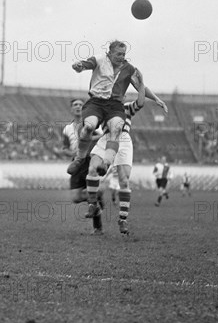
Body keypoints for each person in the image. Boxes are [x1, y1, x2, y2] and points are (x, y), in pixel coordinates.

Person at [85, 70, 168, 235]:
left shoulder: (126, 108)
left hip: (123, 141)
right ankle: (93, 204)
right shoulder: (101, 107)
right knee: (92, 169)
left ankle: (122, 219)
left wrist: (144, 86)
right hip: (106, 138)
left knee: (124, 180)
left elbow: (141, 102)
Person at [68, 40, 157, 177]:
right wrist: (78, 66)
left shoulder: (129, 69)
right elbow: (84, 65)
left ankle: (106, 163)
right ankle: (79, 158)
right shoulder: (99, 59)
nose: (121, 57)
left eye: (123, 54)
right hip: (96, 102)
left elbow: (141, 87)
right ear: (109, 52)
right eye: (118, 54)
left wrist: (156, 99)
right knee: (89, 127)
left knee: (116, 128)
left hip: (115, 105)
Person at [60, 98, 104, 234]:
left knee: (91, 192)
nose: (78, 106)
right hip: (76, 162)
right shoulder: (67, 129)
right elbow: (64, 148)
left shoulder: (91, 124)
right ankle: (98, 196)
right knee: (75, 198)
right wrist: (73, 151)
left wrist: (86, 139)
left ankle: (97, 229)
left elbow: (102, 137)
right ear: (71, 109)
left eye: (80, 104)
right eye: (75, 105)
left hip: (90, 160)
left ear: (84, 108)